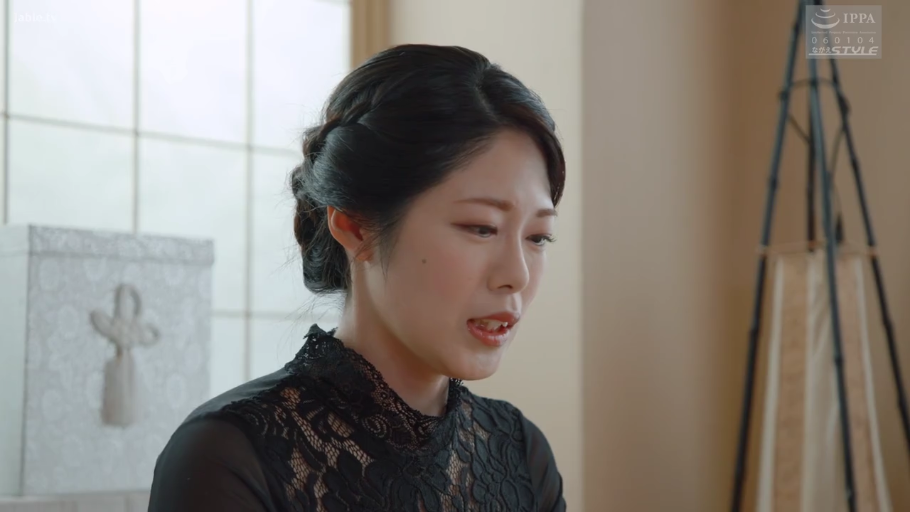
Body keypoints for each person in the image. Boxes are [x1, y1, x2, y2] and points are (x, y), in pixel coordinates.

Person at [148, 43, 567, 512]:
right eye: (481, 228)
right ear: (355, 227)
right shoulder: (228, 457)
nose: (517, 275)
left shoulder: (519, 454)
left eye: (538, 237)